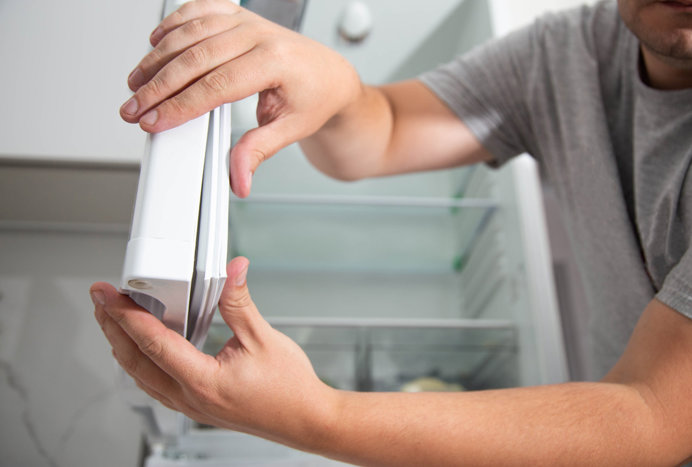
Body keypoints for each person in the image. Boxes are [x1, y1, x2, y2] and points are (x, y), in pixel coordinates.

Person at [90, 0, 692, 464]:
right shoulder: (571, 50)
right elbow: (390, 128)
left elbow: (649, 414)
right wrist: (339, 88)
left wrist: (317, 415)